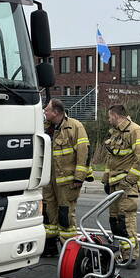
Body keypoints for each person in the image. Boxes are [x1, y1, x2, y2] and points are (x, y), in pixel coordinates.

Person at [40, 98, 91, 258]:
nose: (44, 111)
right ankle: (50, 246)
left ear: (56, 112)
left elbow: (84, 153)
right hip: (49, 181)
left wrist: (79, 178)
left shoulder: (75, 127)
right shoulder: (45, 127)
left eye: (47, 109)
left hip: (67, 182)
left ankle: (70, 251)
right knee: (48, 214)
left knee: (65, 215)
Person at [102, 104, 140, 269]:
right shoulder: (115, 133)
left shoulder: (136, 131)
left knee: (126, 220)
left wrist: (129, 181)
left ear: (115, 116)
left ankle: (131, 256)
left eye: (109, 117)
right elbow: (111, 159)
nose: (108, 120)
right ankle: (123, 253)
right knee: (115, 221)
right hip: (115, 185)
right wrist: (106, 180)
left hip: (128, 186)